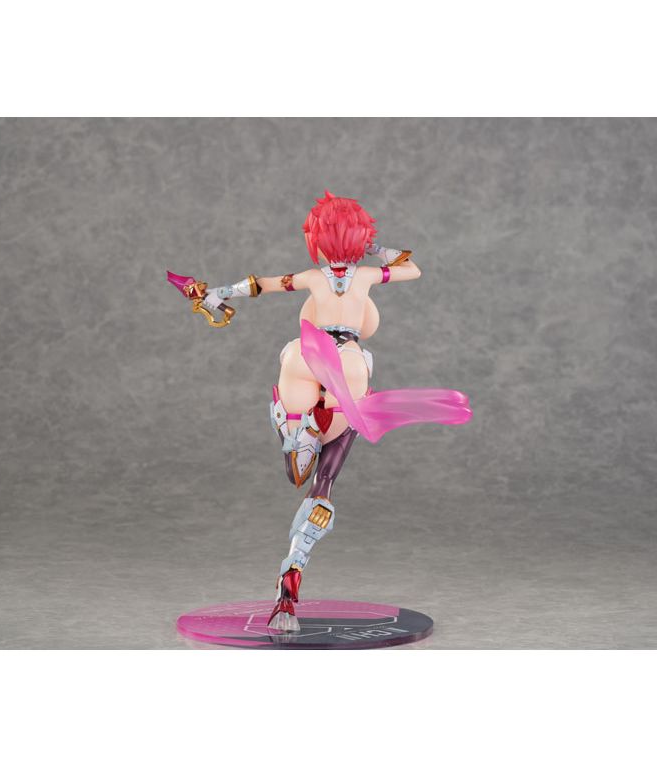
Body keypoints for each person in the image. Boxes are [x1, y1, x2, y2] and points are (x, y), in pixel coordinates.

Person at [168, 191, 472, 632]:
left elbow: (262, 284)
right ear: (357, 239)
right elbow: (412, 268)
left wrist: (216, 293)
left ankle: (300, 431)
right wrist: (370, 246)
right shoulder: (366, 275)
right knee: (321, 486)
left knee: (295, 453)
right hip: (349, 360)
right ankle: (293, 568)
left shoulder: (313, 277)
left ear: (317, 240)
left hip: (306, 351)